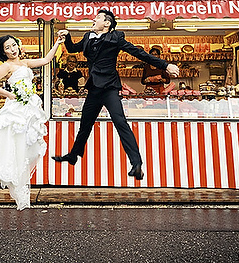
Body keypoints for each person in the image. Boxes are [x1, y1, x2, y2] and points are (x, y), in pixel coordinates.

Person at [53, 9, 180, 180]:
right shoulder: (87, 37)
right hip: (94, 88)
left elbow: (139, 53)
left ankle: (136, 163)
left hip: (109, 87)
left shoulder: (115, 38)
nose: (93, 19)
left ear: (107, 23)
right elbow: (72, 49)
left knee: (120, 122)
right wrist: (66, 36)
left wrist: (165, 65)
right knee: (85, 124)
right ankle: (74, 155)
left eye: (97, 17)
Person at [0, 32, 65, 210]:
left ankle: (19, 188)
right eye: (7, 48)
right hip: (15, 110)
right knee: (10, 147)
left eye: (13, 45)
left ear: (18, 45)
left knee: (27, 149)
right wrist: (10, 94)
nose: (12, 50)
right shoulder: (6, 66)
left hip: (28, 108)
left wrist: (57, 42)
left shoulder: (24, 63)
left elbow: (46, 60)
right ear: (4, 52)